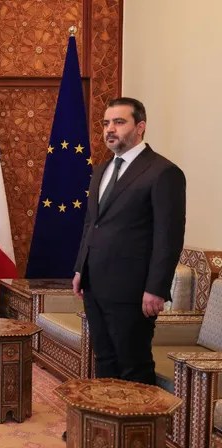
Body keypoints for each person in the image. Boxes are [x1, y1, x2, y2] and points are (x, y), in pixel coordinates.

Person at [73, 97, 186, 385]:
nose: (110, 129)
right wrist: (80, 269)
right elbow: (91, 224)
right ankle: (107, 415)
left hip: (133, 290)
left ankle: (140, 417)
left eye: (119, 122)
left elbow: (168, 236)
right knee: (105, 360)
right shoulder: (101, 170)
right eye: (106, 123)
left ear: (140, 127)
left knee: (133, 364)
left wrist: (156, 288)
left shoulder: (163, 172)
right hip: (95, 284)